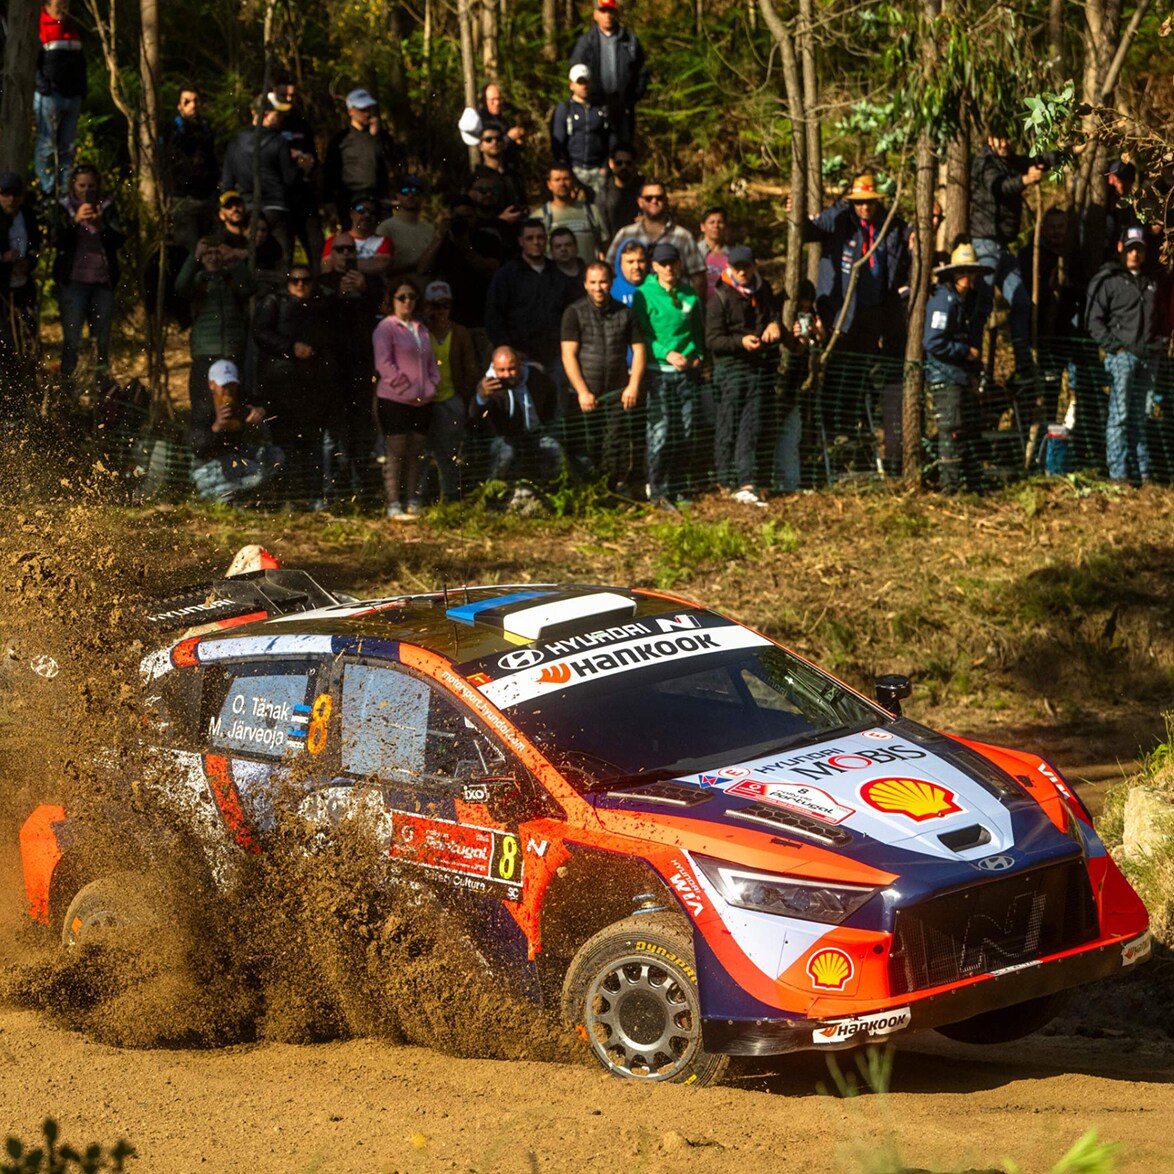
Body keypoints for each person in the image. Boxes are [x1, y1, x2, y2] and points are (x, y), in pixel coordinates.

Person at [802, 173, 909, 435]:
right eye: (859, 202)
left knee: (860, 373)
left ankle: (853, 431)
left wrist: (914, 233)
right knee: (836, 372)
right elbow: (809, 231)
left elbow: (904, 240)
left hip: (872, 312)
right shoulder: (839, 218)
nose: (865, 207)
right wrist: (797, 215)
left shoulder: (889, 224)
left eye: (870, 202)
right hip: (840, 312)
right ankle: (830, 431)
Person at [705, 244, 790, 505]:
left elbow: (772, 315)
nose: (742, 272)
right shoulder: (719, 297)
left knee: (751, 427)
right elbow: (712, 340)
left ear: (755, 266)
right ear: (729, 268)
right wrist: (740, 342)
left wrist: (775, 325)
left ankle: (746, 481)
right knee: (728, 426)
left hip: (759, 369)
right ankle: (725, 481)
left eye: (746, 267)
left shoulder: (763, 290)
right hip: (730, 369)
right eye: (737, 267)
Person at [1086, 227, 1165, 484]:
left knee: (1141, 416)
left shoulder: (1152, 281)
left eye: (1139, 249)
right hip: (1122, 357)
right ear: (1121, 249)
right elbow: (1094, 320)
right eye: (1131, 249)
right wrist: (1114, 347)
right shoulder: (1108, 280)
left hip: (1148, 357)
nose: (1135, 254)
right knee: (1119, 417)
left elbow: (1160, 317)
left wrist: (1158, 344)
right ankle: (1118, 474)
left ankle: (1142, 473)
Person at [253, 264, 334, 509]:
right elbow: (260, 332)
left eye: (305, 280)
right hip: (281, 384)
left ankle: (314, 495)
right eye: (294, 280)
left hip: (313, 385)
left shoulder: (321, 305)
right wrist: (289, 347)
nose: (300, 284)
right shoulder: (274, 302)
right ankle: (285, 498)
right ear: (287, 282)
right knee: (284, 442)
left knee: (313, 442)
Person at [561, 261, 646, 488]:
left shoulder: (626, 313)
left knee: (615, 443)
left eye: (603, 282)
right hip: (585, 394)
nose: (598, 287)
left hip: (617, 392)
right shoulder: (574, 313)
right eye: (593, 282)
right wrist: (582, 391)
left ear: (611, 283)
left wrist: (633, 385)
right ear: (585, 284)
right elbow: (568, 355)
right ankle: (590, 492)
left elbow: (639, 350)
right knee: (588, 445)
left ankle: (611, 490)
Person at [632, 240, 704, 507]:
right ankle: (658, 491)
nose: (668, 268)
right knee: (659, 433)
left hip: (686, 374)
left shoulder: (690, 294)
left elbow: (698, 332)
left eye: (672, 263)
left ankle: (679, 487)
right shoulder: (643, 294)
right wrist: (666, 353)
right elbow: (641, 336)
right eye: (663, 264)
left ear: (680, 264)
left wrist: (697, 356)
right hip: (658, 373)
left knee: (685, 431)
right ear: (654, 266)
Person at [968, 128, 1045, 377]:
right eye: (998, 138)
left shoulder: (1012, 161)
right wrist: (1026, 180)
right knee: (982, 305)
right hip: (984, 243)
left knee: (1021, 302)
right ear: (989, 138)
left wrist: (1070, 151)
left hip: (1003, 246)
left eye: (1007, 139)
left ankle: (1023, 364)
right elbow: (998, 187)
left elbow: (1039, 159)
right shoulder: (985, 162)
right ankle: (975, 364)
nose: (1003, 144)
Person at [317, 232, 381, 501]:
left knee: (360, 427)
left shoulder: (370, 281)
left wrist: (364, 288)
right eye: (340, 249)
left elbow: (383, 303)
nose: (346, 254)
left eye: (350, 249)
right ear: (331, 255)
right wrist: (338, 296)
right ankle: (330, 489)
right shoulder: (322, 283)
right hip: (332, 368)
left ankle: (359, 488)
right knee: (332, 430)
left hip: (362, 366)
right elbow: (317, 315)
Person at [923, 243, 989, 494]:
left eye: (971, 273)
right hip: (944, 375)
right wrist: (964, 351)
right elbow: (933, 342)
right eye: (962, 272)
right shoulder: (944, 302)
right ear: (953, 275)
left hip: (959, 376)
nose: (967, 278)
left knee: (966, 429)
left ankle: (972, 484)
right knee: (950, 429)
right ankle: (948, 487)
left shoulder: (962, 303)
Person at [53, 163, 125, 392]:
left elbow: (119, 239)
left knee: (101, 343)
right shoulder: (63, 205)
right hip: (73, 282)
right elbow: (56, 240)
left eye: (91, 186)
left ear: (98, 186)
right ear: (73, 185)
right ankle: (67, 394)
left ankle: (102, 396)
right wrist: (74, 221)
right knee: (72, 342)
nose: (86, 191)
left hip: (103, 282)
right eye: (82, 186)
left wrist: (101, 225)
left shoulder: (107, 206)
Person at [373, 280, 439, 518]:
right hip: (395, 400)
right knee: (396, 452)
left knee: (416, 452)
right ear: (392, 300)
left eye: (411, 296)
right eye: (401, 297)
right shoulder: (385, 328)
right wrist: (406, 389)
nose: (407, 301)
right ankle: (393, 502)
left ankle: (413, 499)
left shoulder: (421, 328)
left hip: (423, 400)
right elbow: (384, 364)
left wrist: (432, 384)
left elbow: (431, 362)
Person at [484, 219, 578, 378]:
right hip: (520, 359)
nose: (536, 242)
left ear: (546, 239)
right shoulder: (506, 276)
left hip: (557, 356)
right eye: (530, 238)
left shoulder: (558, 273)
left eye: (540, 237)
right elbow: (494, 316)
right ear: (521, 241)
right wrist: (508, 349)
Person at [175, 236, 255, 410]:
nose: (213, 258)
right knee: (203, 408)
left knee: (236, 406)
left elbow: (249, 288)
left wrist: (234, 260)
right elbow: (180, 286)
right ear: (202, 258)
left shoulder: (232, 279)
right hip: (205, 353)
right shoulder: (197, 282)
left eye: (217, 253)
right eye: (208, 254)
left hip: (234, 351)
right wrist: (194, 257)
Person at [220, 93, 299, 264]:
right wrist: (301, 165)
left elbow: (227, 182)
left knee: (249, 256)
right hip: (276, 208)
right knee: (281, 258)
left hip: (248, 209)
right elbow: (289, 178)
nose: (281, 119)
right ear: (265, 114)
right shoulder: (279, 141)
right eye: (278, 115)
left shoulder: (235, 142)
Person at [469, 345, 563, 483]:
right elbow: (474, 416)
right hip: (505, 438)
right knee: (506, 454)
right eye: (501, 370)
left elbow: (551, 397)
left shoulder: (536, 375)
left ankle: (553, 486)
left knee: (554, 450)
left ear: (519, 363)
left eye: (511, 369)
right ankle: (494, 488)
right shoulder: (488, 385)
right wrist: (481, 397)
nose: (507, 374)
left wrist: (548, 422)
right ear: (494, 368)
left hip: (536, 432)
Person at [422, 281, 478, 501]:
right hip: (424, 401)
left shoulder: (460, 332)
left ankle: (451, 495)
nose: (441, 311)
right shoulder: (420, 332)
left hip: (450, 398)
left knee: (449, 451)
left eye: (445, 305)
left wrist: (462, 396)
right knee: (423, 451)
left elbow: (470, 367)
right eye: (435, 305)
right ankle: (421, 496)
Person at [188, 359, 270, 503]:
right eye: (224, 385)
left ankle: (242, 497)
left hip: (237, 459)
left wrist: (259, 413)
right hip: (208, 466)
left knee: (274, 456)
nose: (229, 390)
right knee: (257, 475)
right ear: (211, 385)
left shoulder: (242, 400)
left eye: (232, 385)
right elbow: (196, 447)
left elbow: (266, 403)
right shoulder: (202, 408)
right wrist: (216, 428)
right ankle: (216, 498)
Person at [605, 180, 706, 297]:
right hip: (632, 302)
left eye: (659, 198)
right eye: (649, 198)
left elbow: (698, 277)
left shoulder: (683, 237)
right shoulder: (625, 234)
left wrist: (692, 304)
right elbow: (608, 269)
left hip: (673, 304)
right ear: (640, 202)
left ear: (666, 201)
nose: (654, 201)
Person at [569, 0, 649, 146]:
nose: (607, 16)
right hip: (594, 107)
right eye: (603, 11)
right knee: (596, 148)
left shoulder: (629, 40)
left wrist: (633, 97)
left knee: (622, 150)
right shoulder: (586, 42)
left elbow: (642, 71)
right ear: (595, 14)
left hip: (622, 108)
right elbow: (576, 71)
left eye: (610, 11)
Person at [271, 77, 324, 277]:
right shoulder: (269, 119)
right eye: (284, 95)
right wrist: (288, 154)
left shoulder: (300, 120)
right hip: (280, 196)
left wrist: (308, 161)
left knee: (316, 245)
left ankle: (319, 285)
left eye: (292, 95)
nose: (288, 99)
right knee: (284, 252)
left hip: (304, 191)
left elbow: (312, 155)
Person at [35, 0, 86, 197]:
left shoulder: (72, 28)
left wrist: (82, 89)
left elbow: (81, 63)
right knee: (47, 145)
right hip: (50, 97)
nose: (64, 8)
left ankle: (65, 191)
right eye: (59, 3)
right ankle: (47, 191)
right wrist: (44, 87)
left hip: (72, 97)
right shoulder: (39, 26)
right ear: (48, 4)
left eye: (66, 3)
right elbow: (34, 63)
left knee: (68, 147)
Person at [0, 174, 41, 414]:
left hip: (24, 289)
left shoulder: (28, 216)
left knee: (28, 344)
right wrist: (3, 258)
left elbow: (36, 247)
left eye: (15, 194)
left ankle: (27, 402)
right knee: (5, 346)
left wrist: (29, 263)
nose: (11, 199)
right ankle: (9, 404)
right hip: (2, 292)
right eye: (5, 194)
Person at [159, 88, 219, 254]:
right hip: (182, 199)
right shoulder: (172, 129)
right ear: (179, 105)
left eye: (196, 101)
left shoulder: (206, 129)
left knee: (211, 249)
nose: (192, 105)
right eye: (187, 101)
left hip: (206, 198)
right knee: (189, 250)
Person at [323, 89, 389, 230]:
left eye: (369, 109)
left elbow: (389, 162)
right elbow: (329, 171)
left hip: (377, 198)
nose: (367, 113)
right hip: (350, 198)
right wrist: (328, 200)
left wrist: (376, 137)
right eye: (362, 109)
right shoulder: (341, 139)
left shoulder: (379, 136)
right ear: (351, 111)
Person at [551, 65, 614, 199]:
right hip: (574, 169)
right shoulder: (565, 109)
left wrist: (605, 166)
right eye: (580, 82)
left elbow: (609, 138)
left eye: (586, 82)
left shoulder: (600, 110)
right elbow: (557, 143)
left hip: (597, 170)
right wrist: (566, 172)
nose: (584, 86)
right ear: (571, 85)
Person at [534, 164, 605, 266]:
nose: (562, 183)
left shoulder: (591, 211)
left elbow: (605, 246)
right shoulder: (539, 217)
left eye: (566, 179)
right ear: (549, 184)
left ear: (573, 182)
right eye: (557, 180)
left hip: (588, 273)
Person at [322, 197, 392, 301]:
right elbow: (326, 269)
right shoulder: (334, 240)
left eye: (371, 212)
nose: (367, 215)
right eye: (361, 211)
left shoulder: (384, 241)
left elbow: (381, 265)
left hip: (373, 296)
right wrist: (367, 264)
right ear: (351, 213)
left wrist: (342, 263)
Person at [376, 175, 441, 280]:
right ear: (398, 196)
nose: (410, 195)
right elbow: (380, 268)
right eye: (405, 191)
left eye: (415, 191)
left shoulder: (430, 229)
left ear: (422, 196)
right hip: (398, 286)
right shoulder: (386, 228)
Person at [468, 122, 528, 219]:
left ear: (504, 144)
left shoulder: (514, 175)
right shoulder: (475, 178)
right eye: (488, 139)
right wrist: (500, 220)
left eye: (498, 139)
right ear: (480, 146)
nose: (494, 142)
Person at [596, 143, 642, 239]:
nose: (623, 167)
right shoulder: (603, 194)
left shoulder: (643, 191)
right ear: (611, 164)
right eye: (619, 163)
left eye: (628, 163)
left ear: (634, 164)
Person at [696, 206, 730, 300]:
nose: (716, 226)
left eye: (720, 222)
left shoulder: (732, 255)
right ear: (702, 227)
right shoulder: (694, 252)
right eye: (711, 222)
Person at [611, 237, 647, 306]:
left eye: (641, 261)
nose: (636, 266)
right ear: (620, 264)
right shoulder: (610, 290)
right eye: (630, 262)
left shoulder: (657, 287)